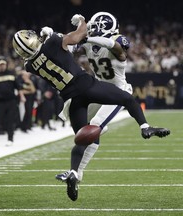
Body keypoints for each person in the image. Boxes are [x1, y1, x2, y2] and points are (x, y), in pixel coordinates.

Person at [12, 16, 170, 201]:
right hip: (89, 87)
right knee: (123, 102)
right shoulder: (57, 42)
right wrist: (77, 23)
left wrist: (56, 37)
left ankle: (74, 172)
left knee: (82, 137)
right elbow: (78, 35)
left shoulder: (29, 66)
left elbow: (64, 51)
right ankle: (145, 127)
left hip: (71, 98)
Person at [56, 11, 139, 194]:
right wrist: (54, 37)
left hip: (117, 93)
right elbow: (68, 45)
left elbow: (115, 46)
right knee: (81, 129)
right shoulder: (88, 43)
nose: (91, 30)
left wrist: (88, 38)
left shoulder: (118, 40)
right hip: (98, 91)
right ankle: (75, 174)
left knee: (93, 127)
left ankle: (77, 171)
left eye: (94, 26)